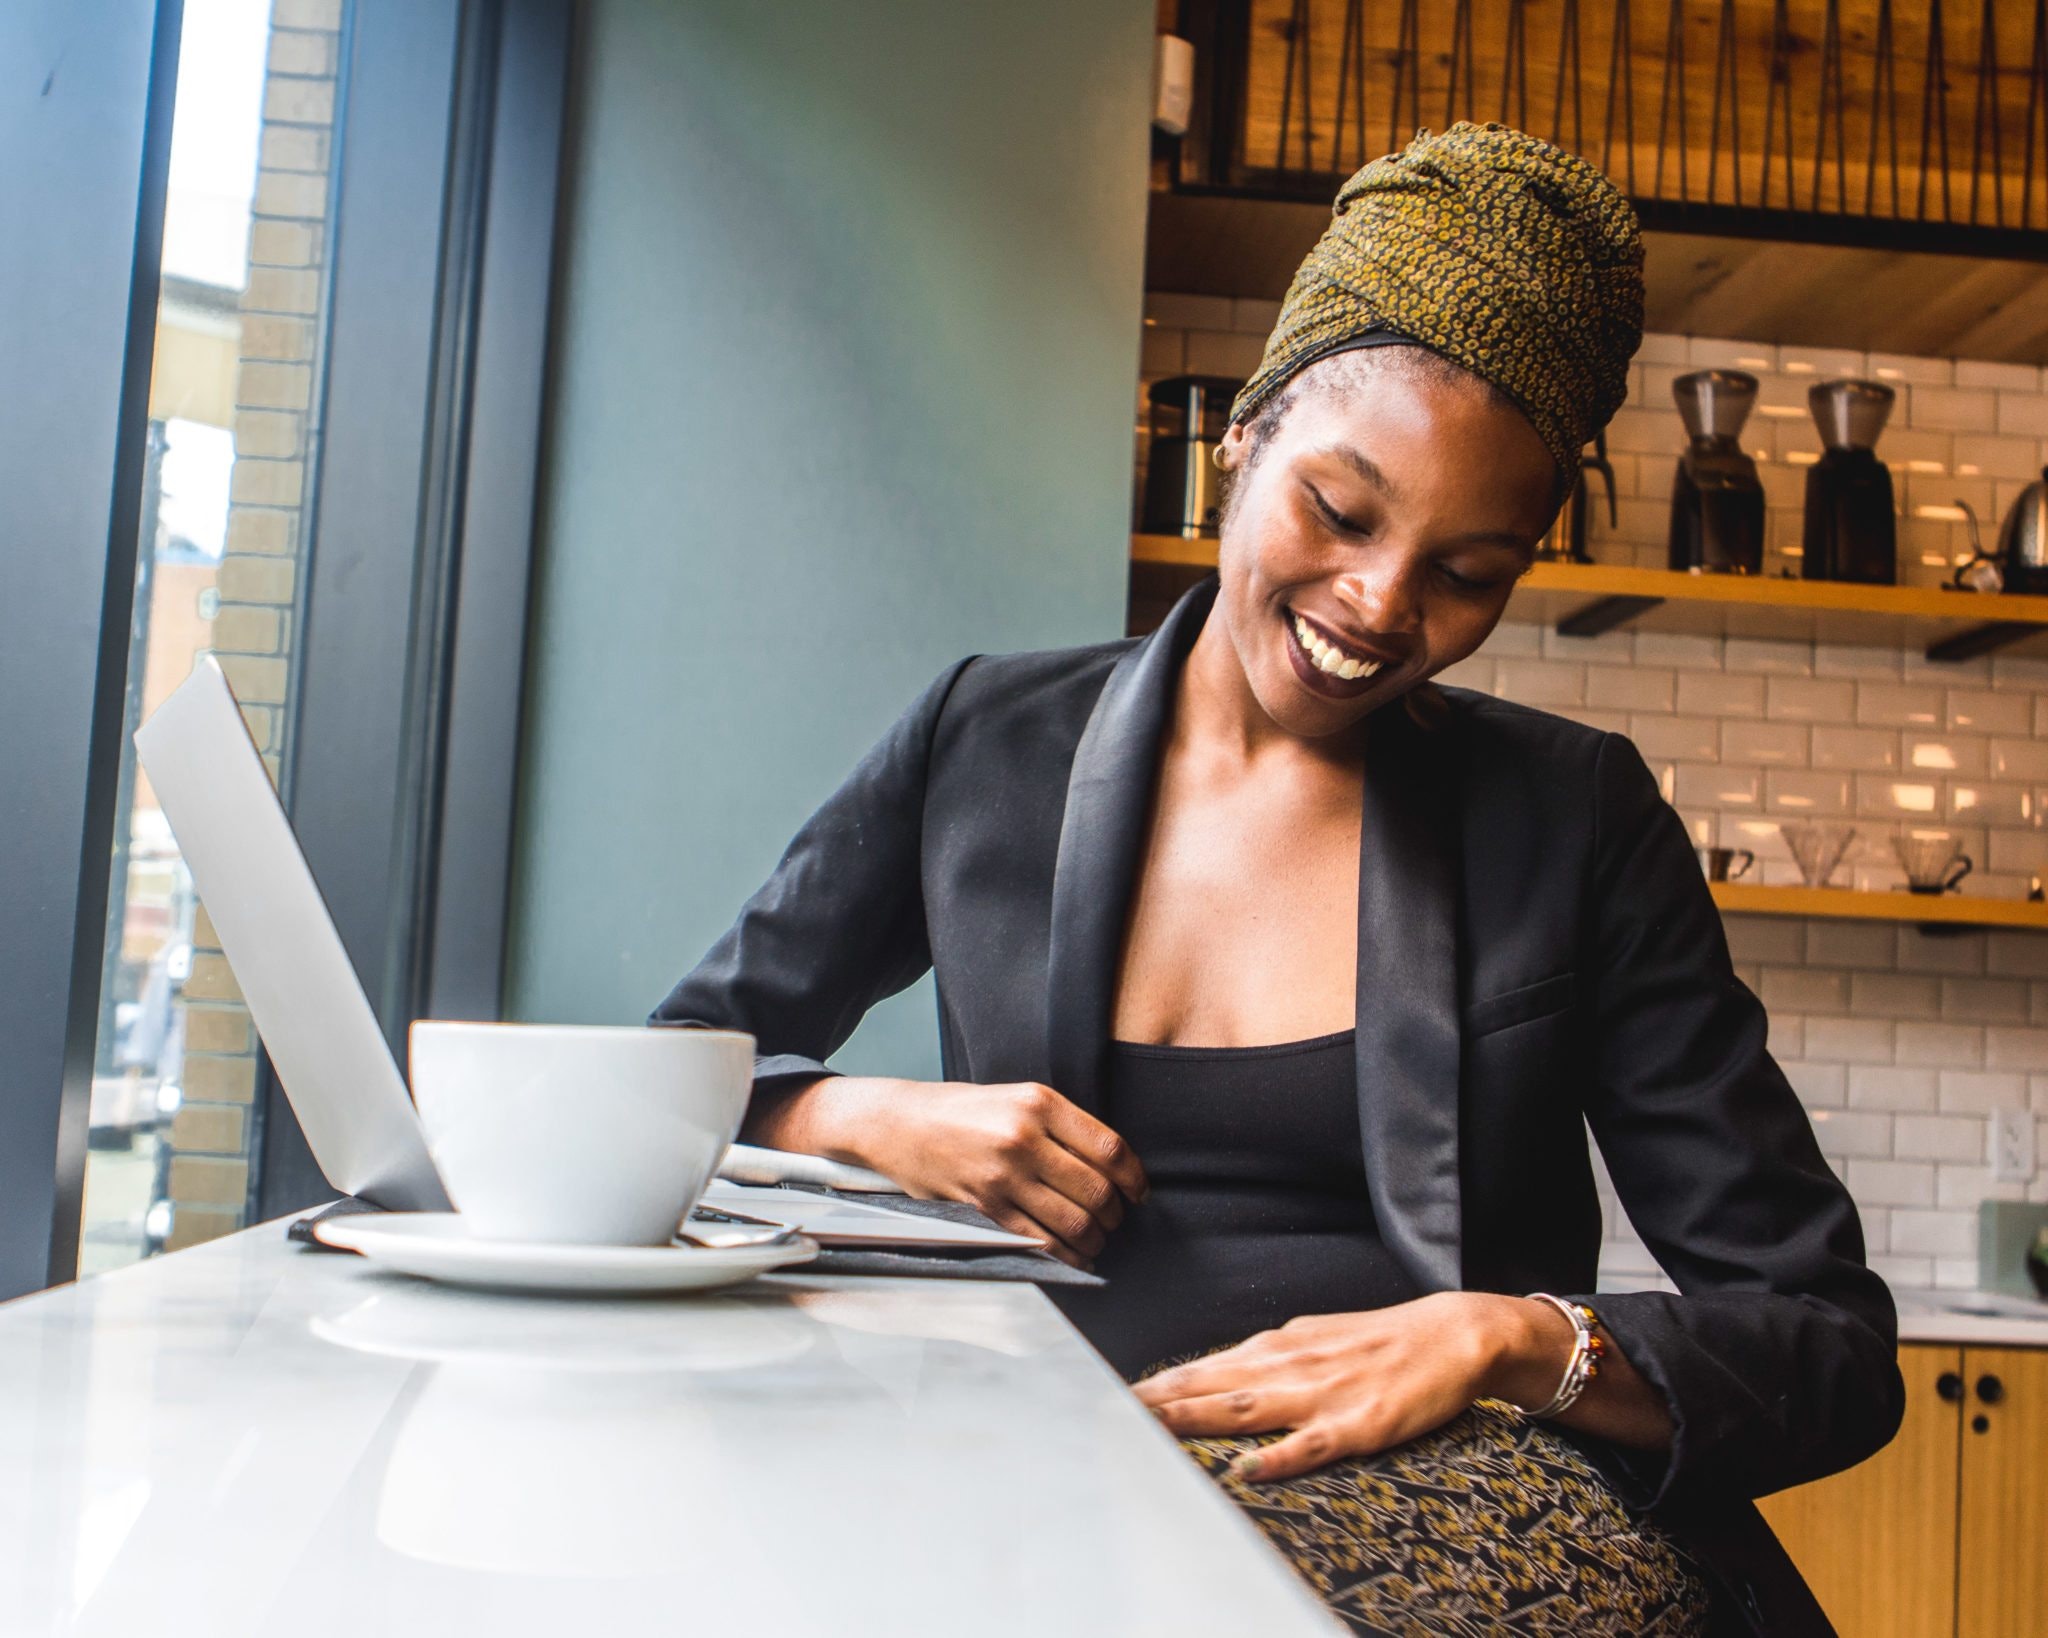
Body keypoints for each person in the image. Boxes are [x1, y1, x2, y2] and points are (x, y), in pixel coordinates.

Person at [652, 122, 1902, 1636]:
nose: (1380, 606)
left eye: (1468, 572)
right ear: (1244, 437)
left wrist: (1509, 1337)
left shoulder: (1575, 816)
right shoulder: (985, 738)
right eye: (1342, 508)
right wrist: (863, 1115)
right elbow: (672, 1082)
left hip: (1484, 1524)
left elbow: (1828, 1342)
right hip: (1061, 1505)